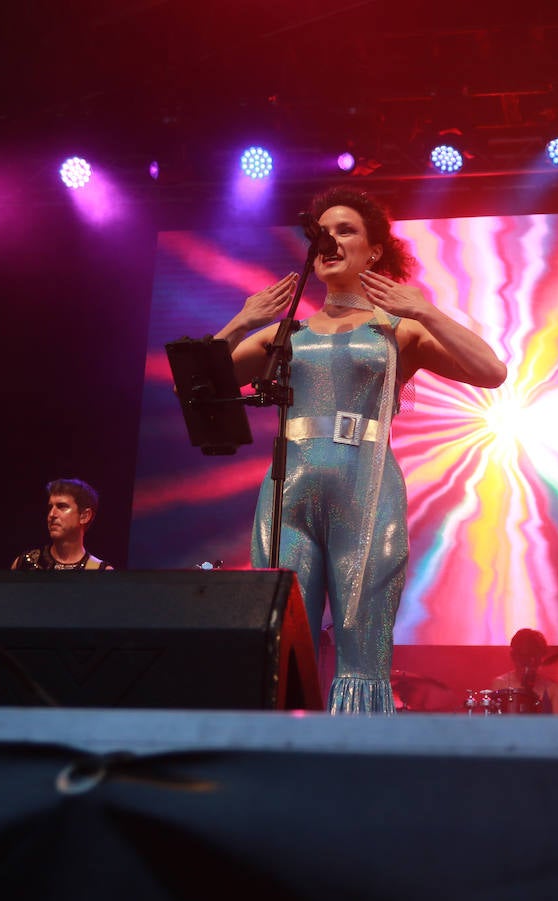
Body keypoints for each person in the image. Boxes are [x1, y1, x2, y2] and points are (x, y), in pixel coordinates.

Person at [214, 186, 507, 714]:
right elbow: (197, 387)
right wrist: (241, 322)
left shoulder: (398, 330)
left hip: (367, 496)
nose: (329, 239)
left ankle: (355, 773)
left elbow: (492, 370)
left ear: (374, 252)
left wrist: (428, 312)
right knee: (281, 648)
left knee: (361, 653)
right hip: (287, 497)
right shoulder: (288, 335)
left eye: (345, 230)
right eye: (321, 232)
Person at [12, 478, 114, 570]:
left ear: (84, 516)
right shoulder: (24, 564)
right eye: (50, 507)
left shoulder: (101, 572)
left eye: (61, 507)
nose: (51, 514)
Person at [489, 628, 558, 714]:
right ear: (514, 657)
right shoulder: (500, 684)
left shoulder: (554, 689)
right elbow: (493, 724)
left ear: (540, 659)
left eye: (534, 658)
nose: (529, 664)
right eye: (524, 658)